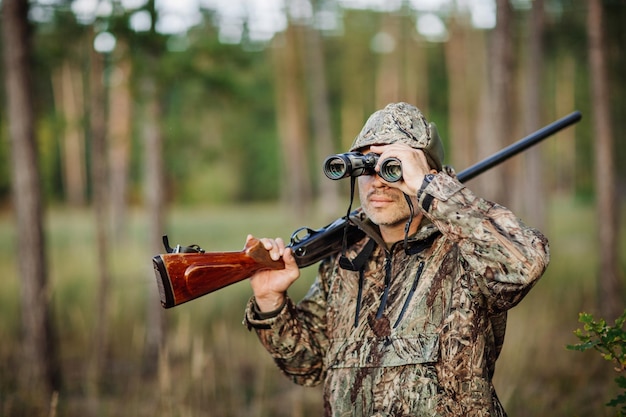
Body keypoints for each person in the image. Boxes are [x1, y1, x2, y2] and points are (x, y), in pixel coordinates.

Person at [242, 102, 549, 416]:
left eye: (392, 167)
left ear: (425, 173)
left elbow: (524, 263)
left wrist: (432, 187)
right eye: (364, 166)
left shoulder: (466, 251)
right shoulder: (344, 261)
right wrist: (271, 302)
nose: (377, 181)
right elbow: (307, 367)